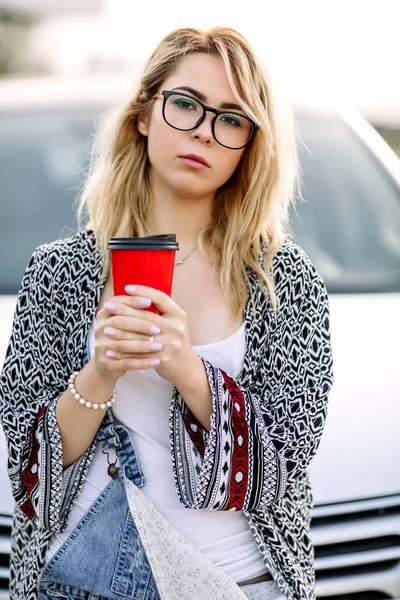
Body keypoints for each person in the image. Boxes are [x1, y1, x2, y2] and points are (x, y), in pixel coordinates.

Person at [0, 25, 333, 600]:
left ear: (249, 144)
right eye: (185, 104)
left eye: (230, 118)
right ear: (144, 115)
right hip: (85, 579)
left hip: (240, 582)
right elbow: (29, 478)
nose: (204, 131)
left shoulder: (284, 280)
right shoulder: (59, 273)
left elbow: (284, 469)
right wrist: (99, 373)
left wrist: (190, 371)